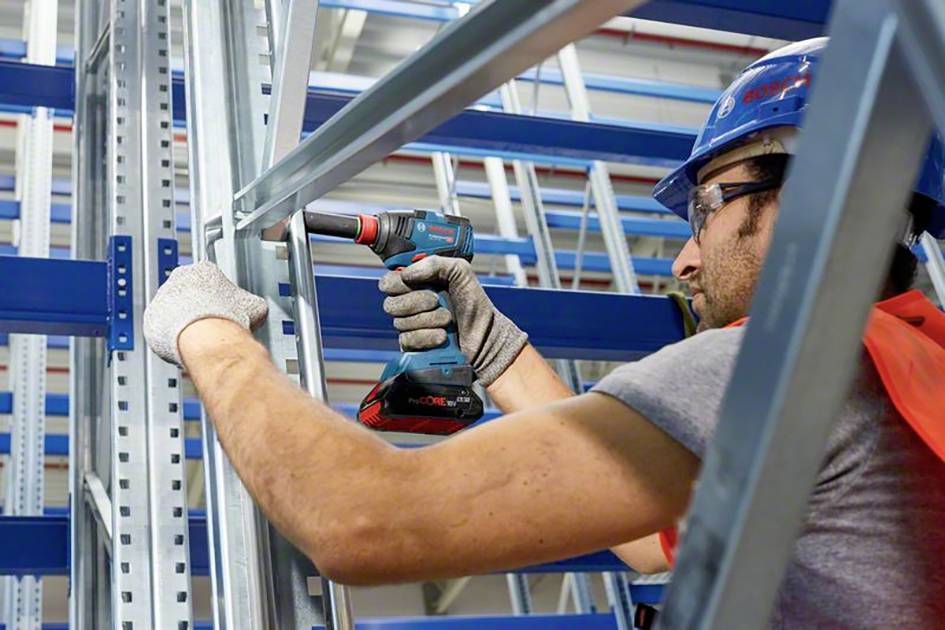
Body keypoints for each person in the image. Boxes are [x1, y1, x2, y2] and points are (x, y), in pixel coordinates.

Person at [144, 38, 945, 627]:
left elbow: (361, 520)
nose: (685, 258)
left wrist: (208, 331)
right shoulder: (908, 366)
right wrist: (494, 349)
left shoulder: (786, 366)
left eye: (706, 207)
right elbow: (648, 543)